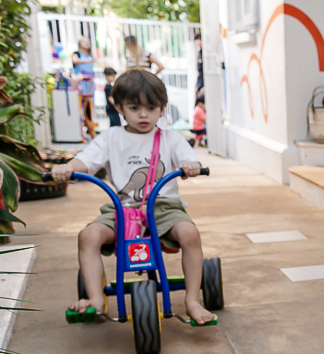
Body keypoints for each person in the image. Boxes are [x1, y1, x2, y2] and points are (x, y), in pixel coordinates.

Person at [52, 70, 214, 326]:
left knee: (190, 233)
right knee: (88, 236)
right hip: (121, 207)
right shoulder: (110, 138)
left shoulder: (170, 139)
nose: (143, 114)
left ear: (162, 109)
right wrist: (69, 167)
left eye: (151, 107)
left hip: (163, 207)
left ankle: (192, 299)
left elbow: (187, 157)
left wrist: (191, 165)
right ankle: (95, 300)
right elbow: (86, 160)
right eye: (134, 107)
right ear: (118, 107)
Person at [71, 36, 97, 139]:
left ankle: (89, 126)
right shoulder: (77, 54)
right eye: (84, 41)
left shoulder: (90, 55)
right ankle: (80, 127)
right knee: (80, 106)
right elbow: (75, 61)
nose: (87, 43)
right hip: (81, 85)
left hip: (89, 84)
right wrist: (89, 60)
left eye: (88, 41)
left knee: (89, 106)